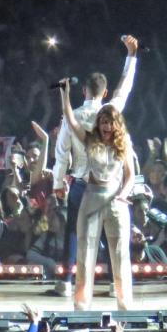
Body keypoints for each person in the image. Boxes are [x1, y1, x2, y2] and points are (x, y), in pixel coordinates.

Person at [49, 35, 138, 298]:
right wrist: (131, 56)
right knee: (111, 237)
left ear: (84, 91)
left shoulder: (76, 116)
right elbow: (125, 87)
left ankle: (66, 281)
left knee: (74, 233)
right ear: (104, 93)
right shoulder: (112, 111)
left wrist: (57, 183)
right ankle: (113, 284)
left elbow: (61, 152)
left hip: (82, 183)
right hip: (109, 186)